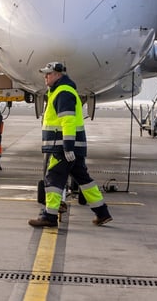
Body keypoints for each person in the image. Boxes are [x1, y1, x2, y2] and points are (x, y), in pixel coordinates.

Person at [29, 62, 112, 228]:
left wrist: (67, 146)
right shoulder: (61, 91)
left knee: (53, 179)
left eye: (48, 74)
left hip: (62, 147)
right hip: (73, 147)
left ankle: (49, 217)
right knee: (84, 180)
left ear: (58, 74)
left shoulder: (63, 92)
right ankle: (102, 213)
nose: (45, 77)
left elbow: (68, 121)